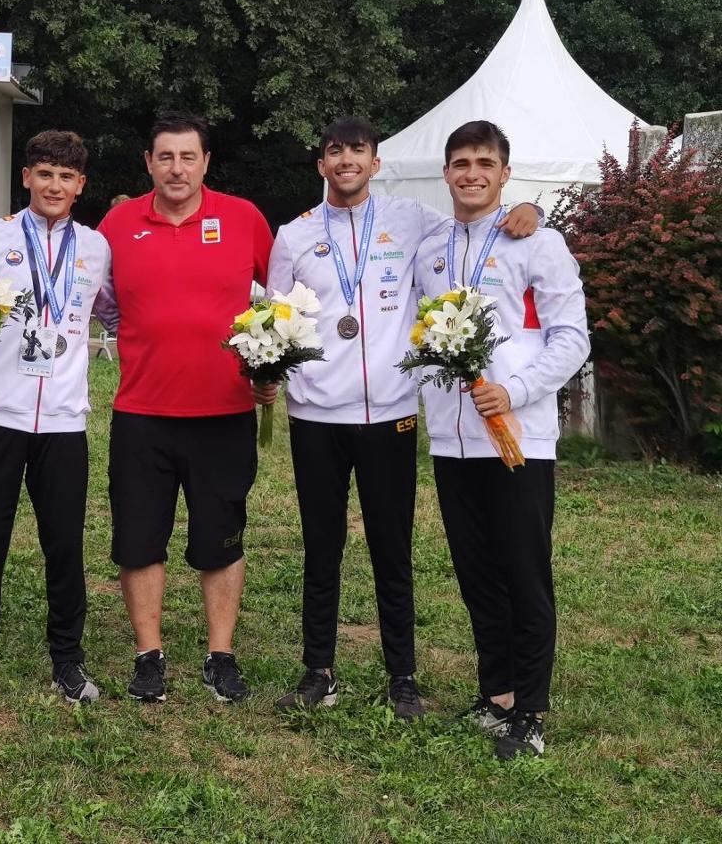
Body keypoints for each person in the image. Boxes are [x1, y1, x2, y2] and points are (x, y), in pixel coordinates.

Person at [266, 117, 541, 718]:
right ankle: (318, 670)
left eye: (357, 150)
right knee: (322, 547)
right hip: (315, 416)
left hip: (389, 413)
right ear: (321, 165)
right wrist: (271, 376)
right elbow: (274, 317)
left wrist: (529, 209)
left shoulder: (412, 220)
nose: (346, 160)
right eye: (334, 151)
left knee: (393, 550)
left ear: (375, 162)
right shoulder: (294, 234)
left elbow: (478, 224)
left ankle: (403, 679)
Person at [415, 120, 588, 758]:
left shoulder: (538, 241)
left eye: (484, 163)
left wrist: (513, 394)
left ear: (505, 173)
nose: (471, 174)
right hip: (452, 439)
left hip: (520, 436)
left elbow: (573, 338)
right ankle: (498, 696)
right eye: (460, 163)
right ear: (446, 173)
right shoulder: (430, 245)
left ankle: (532, 712)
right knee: (475, 573)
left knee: (523, 573)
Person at [94, 112, 274, 703]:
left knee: (221, 538)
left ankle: (220, 656)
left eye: (188, 157)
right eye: (165, 157)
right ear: (148, 163)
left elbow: (291, 297)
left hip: (223, 413)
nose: (177, 168)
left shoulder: (244, 219)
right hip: (142, 412)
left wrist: (271, 367)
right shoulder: (118, 224)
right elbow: (94, 299)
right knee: (140, 539)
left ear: (205, 163)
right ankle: (149, 656)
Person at [0, 131, 111, 706]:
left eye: (66, 177)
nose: (54, 185)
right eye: (44, 174)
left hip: (63, 421)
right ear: (26, 178)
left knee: (64, 547)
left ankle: (68, 661)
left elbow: (113, 310)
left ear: (80, 186)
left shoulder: (96, 248)